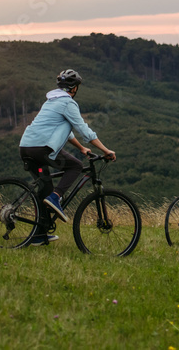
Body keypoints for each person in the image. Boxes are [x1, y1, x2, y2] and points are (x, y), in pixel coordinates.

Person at [18, 69, 115, 246]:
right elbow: (85, 131)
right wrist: (106, 150)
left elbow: (67, 132)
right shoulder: (68, 103)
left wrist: (82, 148)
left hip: (26, 147)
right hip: (41, 149)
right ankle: (56, 198)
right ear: (74, 88)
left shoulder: (51, 101)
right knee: (75, 166)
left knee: (45, 187)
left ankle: (39, 234)